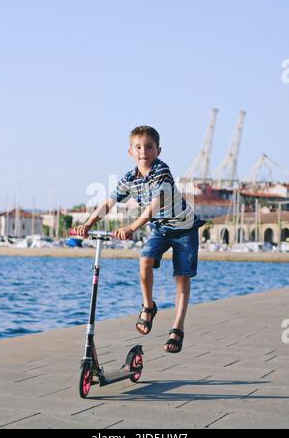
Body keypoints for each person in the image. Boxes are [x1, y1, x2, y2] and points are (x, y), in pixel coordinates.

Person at [74, 126, 206, 353]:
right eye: (138, 147)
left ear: (158, 150)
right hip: (160, 231)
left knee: (182, 277)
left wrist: (131, 227)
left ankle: (177, 327)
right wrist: (89, 223)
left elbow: (153, 208)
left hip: (184, 230)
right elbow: (108, 203)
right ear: (130, 152)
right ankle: (148, 306)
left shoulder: (161, 171)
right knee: (144, 260)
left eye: (149, 146)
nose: (143, 151)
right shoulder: (129, 179)